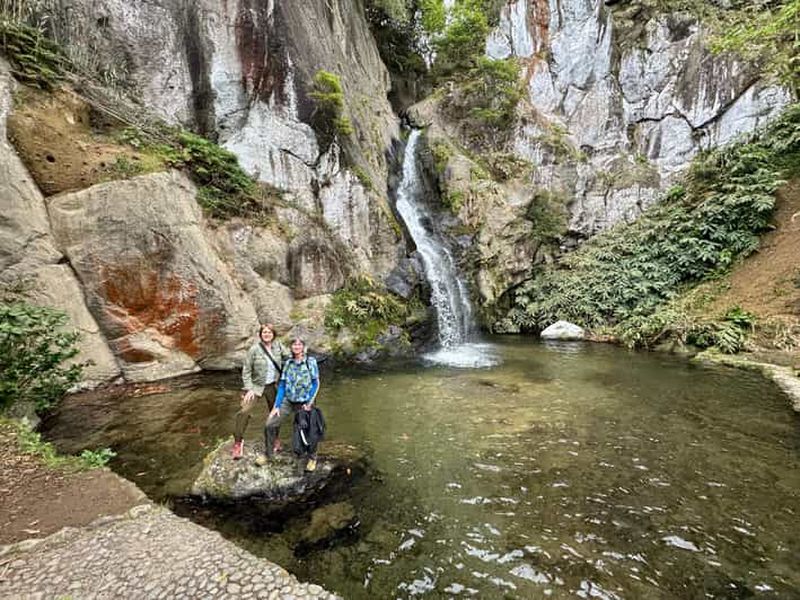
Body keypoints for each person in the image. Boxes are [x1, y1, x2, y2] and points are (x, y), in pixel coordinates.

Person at [261, 337, 320, 471]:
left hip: (305, 402)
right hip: (288, 401)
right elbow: (282, 385)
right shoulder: (288, 363)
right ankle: (268, 454)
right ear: (291, 347)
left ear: (303, 347)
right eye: (294, 344)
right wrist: (276, 405)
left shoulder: (310, 362)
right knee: (270, 424)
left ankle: (312, 458)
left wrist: (309, 402)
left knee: (309, 430)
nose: (297, 346)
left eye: (299, 344)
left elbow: (316, 383)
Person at [232, 323, 287, 460]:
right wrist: (249, 388)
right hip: (256, 386)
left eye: (269, 332)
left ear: (273, 334)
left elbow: (290, 357)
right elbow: (246, 370)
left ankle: (275, 439)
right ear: (261, 334)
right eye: (264, 332)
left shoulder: (278, 347)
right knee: (244, 411)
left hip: (273, 386)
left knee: (275, 413)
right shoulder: (254, 349)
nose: (267, 334)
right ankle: (238, 442)